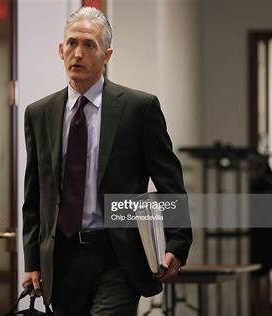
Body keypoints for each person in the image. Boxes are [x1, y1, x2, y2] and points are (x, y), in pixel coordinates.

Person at [21, 7, 192, 316]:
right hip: (63, 256)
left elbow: (170, 182)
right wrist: (32, 261)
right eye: (72, 43)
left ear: (106, 55)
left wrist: (177, 244)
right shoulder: (39, 113)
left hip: (118, 253)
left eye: (90, 45)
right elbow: (34, 195)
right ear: (61, 50)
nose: (78, 53)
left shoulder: (138, 109)